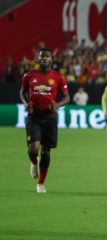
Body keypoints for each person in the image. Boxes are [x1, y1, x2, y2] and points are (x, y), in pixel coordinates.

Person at [20, 48, 70, 193]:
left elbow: (67, 97)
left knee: (46, 152)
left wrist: (58, 105)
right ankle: (34, 162)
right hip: (34, 117)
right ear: (38, 59)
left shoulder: (58, 77)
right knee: (33, 149)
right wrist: (25, 104)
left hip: (50, 118)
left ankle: (41, 183)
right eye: (42, 56)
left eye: (48, 56)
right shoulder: (29, 76)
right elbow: (22, 92)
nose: (45, 59)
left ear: (51, 59)